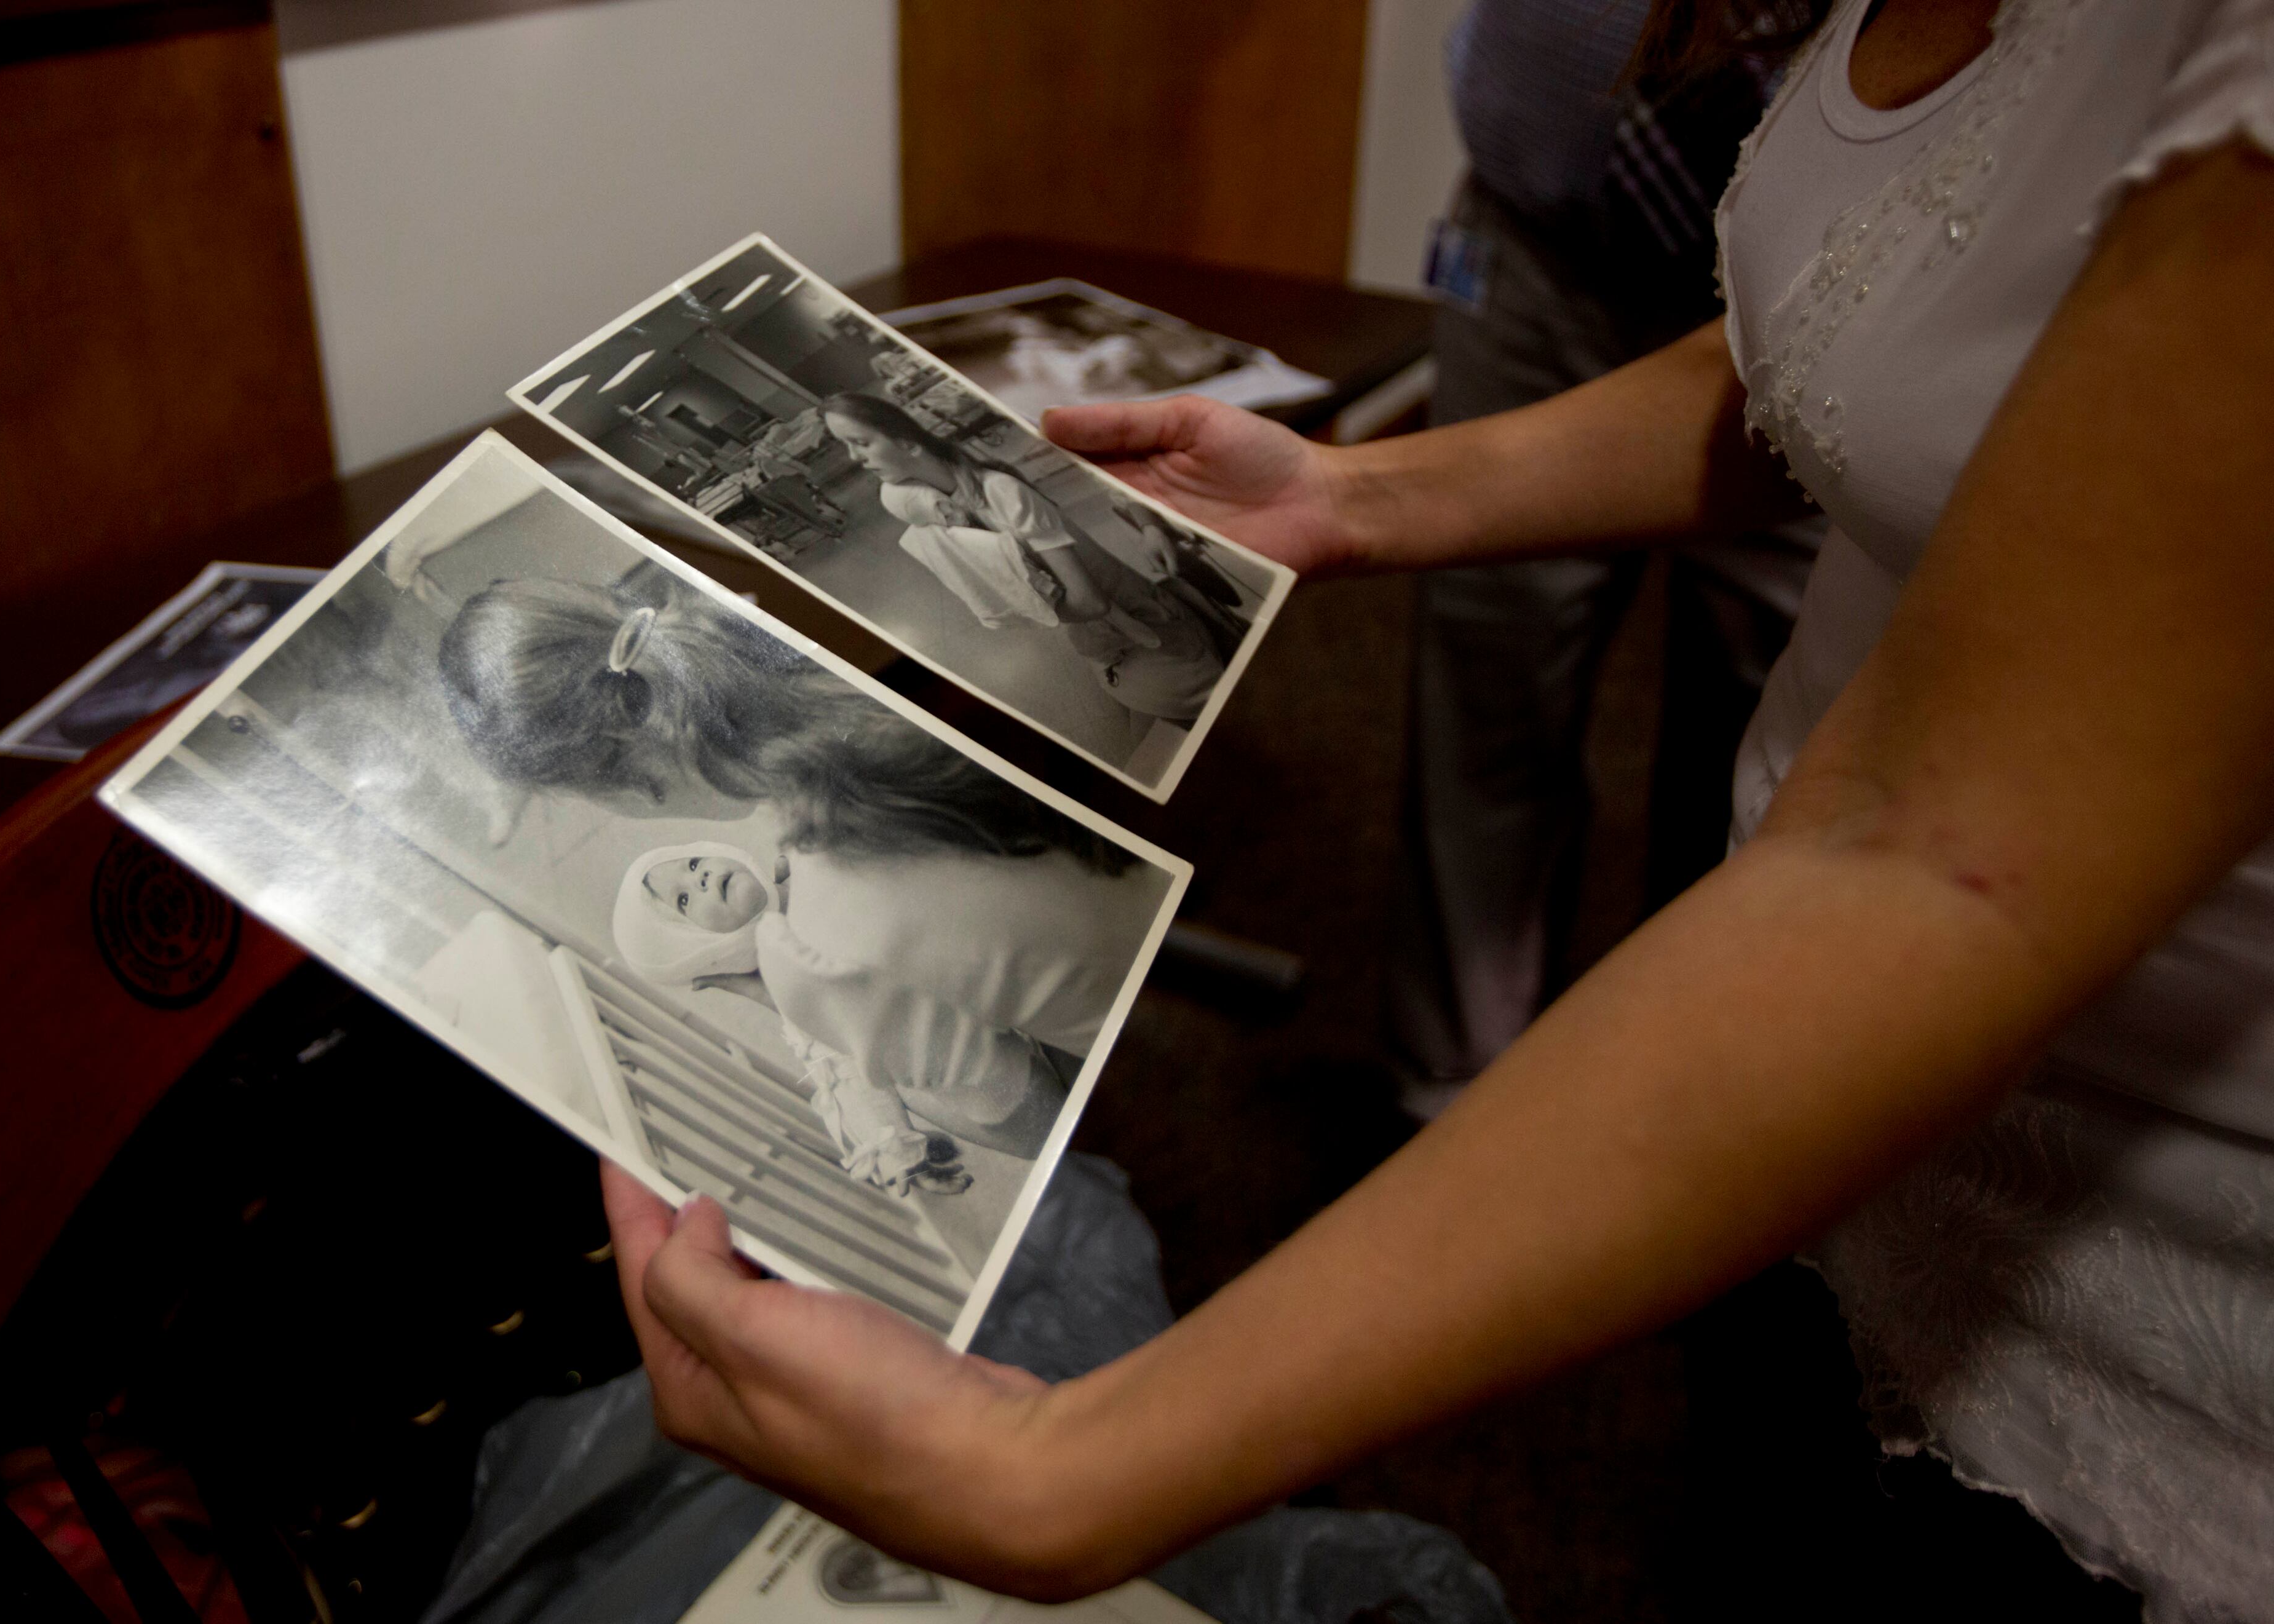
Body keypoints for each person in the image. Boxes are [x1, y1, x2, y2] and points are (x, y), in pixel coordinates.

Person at [592, 2, 2274, 1617]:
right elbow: (1887, 333)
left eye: (674, 870)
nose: (700, 882)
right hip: (1855, 1121)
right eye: (680, 903)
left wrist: (1064, 1464)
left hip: (2134, 1214)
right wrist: (1358, 494)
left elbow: (1932, 859)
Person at [1389, 0, 1824, 1119]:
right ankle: (1447, 1094)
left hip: (1821, 283)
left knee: (1767, 723)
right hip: (1533, 230)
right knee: (1488, 661)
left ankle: (1679, 1101)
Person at [437, 574, 1171, 1088]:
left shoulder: (815, 950)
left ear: (625, 784)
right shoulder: (847, 631)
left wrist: (780, 993)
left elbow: (1027, 1111)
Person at [610, 834, 1069, 1188]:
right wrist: (899, 1152)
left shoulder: (808, 866)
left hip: (997, 983)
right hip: (979, 1072)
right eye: (685, 900)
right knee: (1057, 1126)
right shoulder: (791, 990)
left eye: (693, 864)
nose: (701, 877)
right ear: (697, 952)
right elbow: (841, 1073)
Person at [817, 391, 1226, 726]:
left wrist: (1020, 608)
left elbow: (1091, 602)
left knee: (1198, 708)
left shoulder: (1001, 493)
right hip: (1098, 640)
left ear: (906, 443)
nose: (854, 458)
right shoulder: (929, 505)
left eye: (861, 442)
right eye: (845, 446)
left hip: (1134, 622)